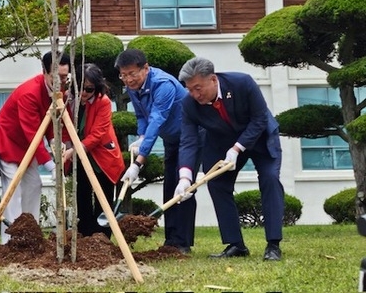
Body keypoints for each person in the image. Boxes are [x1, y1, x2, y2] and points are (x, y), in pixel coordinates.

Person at [177, 56, 284, 261]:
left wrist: (237, 148)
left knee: (270, 178)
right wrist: (184, 178)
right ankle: (236, 244)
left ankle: (273, 244)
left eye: (198, 88)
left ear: (213, 79)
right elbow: (188, 141)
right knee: (217, 184)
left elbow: (260, 118)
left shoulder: (242, 83)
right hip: (220, 142)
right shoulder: (189, 104)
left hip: (259, 137)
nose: (194, 94)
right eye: (190, 89)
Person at [115, 48, 198, 254]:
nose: (128, 79)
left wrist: (138, 162)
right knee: (170, 186)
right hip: (171, 139)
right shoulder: (133, 87)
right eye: (123, 75)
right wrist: (141, 136)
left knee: (184, 187)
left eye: (132, 74)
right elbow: (143, 117)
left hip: (191, 138)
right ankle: (172, 241)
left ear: (146, 68)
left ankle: (183, 242)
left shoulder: (163, 85)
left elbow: (156, 119)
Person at [0, 51, 70, 244]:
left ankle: (31, 237)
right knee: (13, 189)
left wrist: (55, 142)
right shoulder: (29, 93)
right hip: (10, 142)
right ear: (44, 72)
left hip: (30, 146)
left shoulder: (57, 92)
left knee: (35, 184)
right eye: (57, 77)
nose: (60, 81)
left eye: (64, 77)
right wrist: (51, 165)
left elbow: (52, 122)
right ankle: (10, 241)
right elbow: (33, 133)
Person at [63, 63, 125, 237]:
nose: (83, 93)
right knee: (81, 196)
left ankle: (103, 238)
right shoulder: (68, 98)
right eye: (80, 87)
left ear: (97, 87)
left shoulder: (103, 102)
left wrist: (74, 150)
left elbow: (98, 134)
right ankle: (84, 236)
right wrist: (67, 148)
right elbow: (65, 128)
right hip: (81, 158)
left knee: (103, 199)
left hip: (101, 157)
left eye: (89, 89)